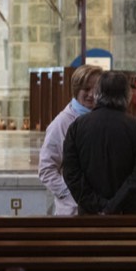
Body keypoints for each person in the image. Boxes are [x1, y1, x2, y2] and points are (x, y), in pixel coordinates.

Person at [61, 71, 136, 214]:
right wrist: (113, 205)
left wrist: (98, 205)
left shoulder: (77, 127)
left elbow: (71, 173)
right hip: (127, 215)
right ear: (128, 95)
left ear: (97, 94)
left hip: (90, 216)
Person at [38, 64, 103, 215]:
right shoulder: (61, 123)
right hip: (73, 211)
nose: (92, 95)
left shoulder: (104, 119)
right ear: (75, 90)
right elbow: (46, 169)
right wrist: (70, 193)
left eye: (97, 90)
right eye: (86, 89)